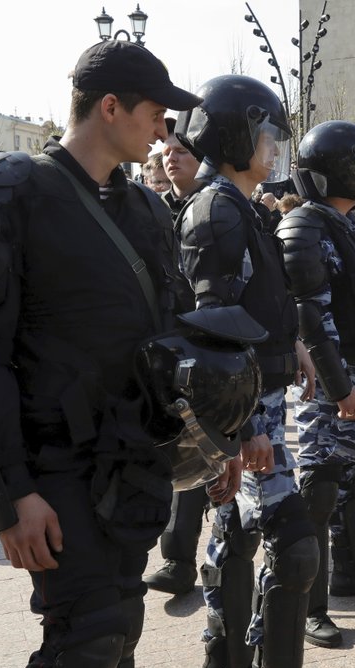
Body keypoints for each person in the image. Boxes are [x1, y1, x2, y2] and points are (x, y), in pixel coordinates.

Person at [0, 39, 203, 668]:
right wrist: (11, 498)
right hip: (52, 473)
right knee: (88, 640)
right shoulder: (11, 195)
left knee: (120, 628)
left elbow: (166, 340)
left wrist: (203, 441)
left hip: (131, 462)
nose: (165, 132)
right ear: (111, 107)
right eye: (158, 115)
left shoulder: (141, 208)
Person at [175, 74, 319, 668]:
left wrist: (297, 348)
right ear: (235, 134)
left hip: (260, 401)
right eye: (265, 135)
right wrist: (236, 431)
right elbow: (211, 331)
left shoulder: (240, 207)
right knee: (290, 547)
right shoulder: (217, 212)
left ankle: (227, 654)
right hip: (240, 412)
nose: (274, 148)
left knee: (238, 535)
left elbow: (259, 303)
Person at [276, 120, 355, 649]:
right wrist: (338, 388)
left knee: (349, 483)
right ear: (336, 171)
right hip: (335, 386)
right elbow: (311, 318)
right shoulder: (305, 227)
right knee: (319, 489)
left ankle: (354, 573)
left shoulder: (350, 226)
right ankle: (310, 605)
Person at [142, 119, 209, 598]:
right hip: (164, 350)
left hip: (213, 354)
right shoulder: (149, 211)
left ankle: (192, 561)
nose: (171, 156)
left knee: (205, 451)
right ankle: (177, 558)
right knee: (176, 452)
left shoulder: (222, 207)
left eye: (182, 149)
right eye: (166, 150)